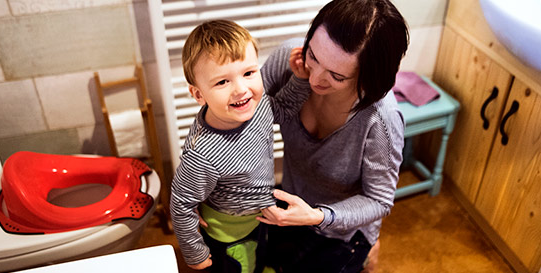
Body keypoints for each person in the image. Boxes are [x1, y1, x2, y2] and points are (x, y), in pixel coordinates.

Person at [256, 0, 409, 272]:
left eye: (336, 76)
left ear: (367, 79)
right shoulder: (290, 58)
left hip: (343, 234)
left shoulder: (381, 119)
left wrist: (316, 217)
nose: (315, 79)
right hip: (292, 202)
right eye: (313, 56)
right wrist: (198, 189)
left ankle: (368, 251)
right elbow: (241, 118)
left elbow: (379, 200)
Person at [170, 20, 310, 272]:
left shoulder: (258, 106)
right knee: (239, 264)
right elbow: (181, 204)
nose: (241, 90)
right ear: (198, 94)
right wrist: (195, 253)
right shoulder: (202, 154)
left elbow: (286, 109)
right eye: (222, 82)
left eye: (248, 73)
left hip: (258, 214)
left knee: (259, 252)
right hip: (228, 233)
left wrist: (299, 80)